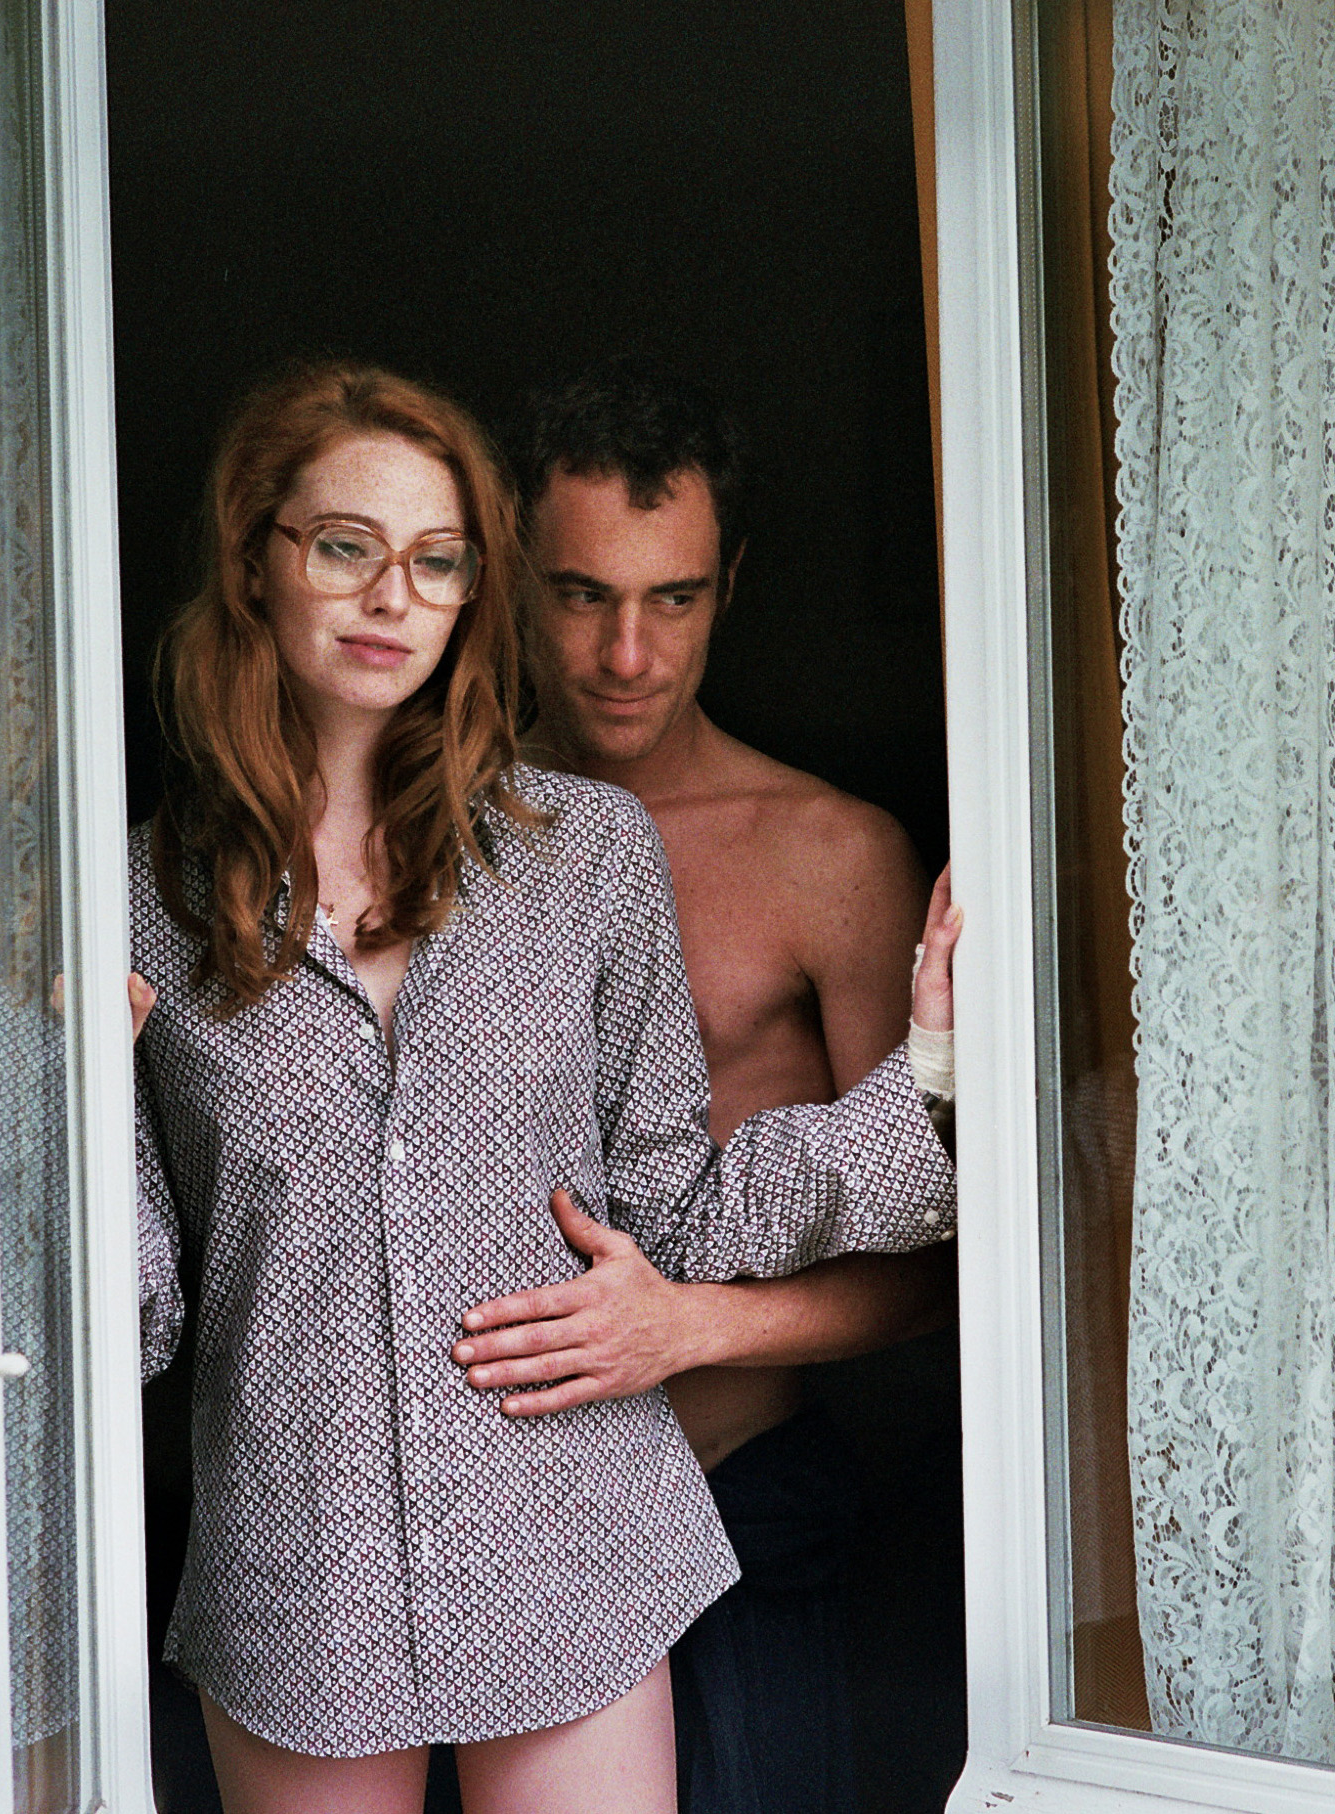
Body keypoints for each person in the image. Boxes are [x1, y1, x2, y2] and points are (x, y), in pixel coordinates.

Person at [128, 362, 963, 1814]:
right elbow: (139, 1311)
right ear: (255, 559)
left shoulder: (581, 853)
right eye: (345, 546)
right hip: (296, 1569)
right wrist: (54, 1099)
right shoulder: (142, 900)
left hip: (577, 1546)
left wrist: (936, 1073)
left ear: (470, 592)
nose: (391, 595)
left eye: (436, 560)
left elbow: (675, 1212)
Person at [439, 363, 952, 1814]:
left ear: (731, 584)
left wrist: (685, 1327)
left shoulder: (828, 854)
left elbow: (936, 1246)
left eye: (672, 598)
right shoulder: (431, 841)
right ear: (509, 584)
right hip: (491, 1510)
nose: (627, 652)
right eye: (580, 594)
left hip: (739, 1499)